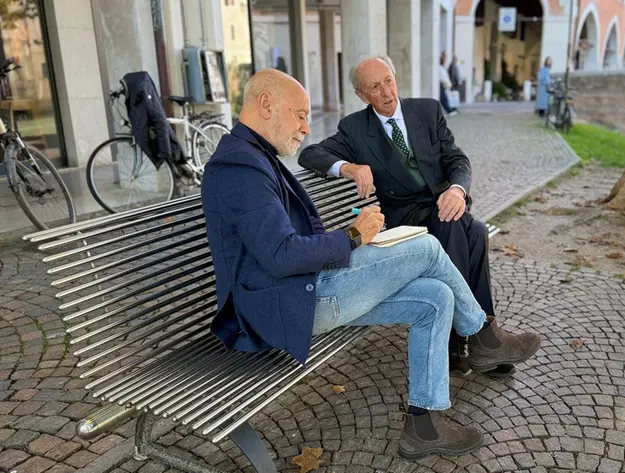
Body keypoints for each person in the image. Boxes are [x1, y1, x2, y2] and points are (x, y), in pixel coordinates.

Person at [201, 69, 541, 459]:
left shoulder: (254, 156)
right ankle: (482, 335)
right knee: (427, 247)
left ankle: (424, 426)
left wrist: (353, 238)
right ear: (266, 104)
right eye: (300, 115)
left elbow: (282, 247)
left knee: (436, 296)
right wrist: (352, 235)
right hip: (288, 305)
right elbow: (281, 255)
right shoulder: (239, 166)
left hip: (301, 289)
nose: (306, 128)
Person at [298, 56, 515, 378]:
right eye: (375, 87)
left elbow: (456, 159)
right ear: (362, 95)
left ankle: (467, 343)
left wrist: (456, 190)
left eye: (388, 80)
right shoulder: (355, 128)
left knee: (475, 231)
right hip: (406, 217)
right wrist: (348, 167)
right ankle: (477, 340)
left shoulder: (427, 111)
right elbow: (309, 153)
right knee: (461, 227)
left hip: (442, 204)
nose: (387, 92)